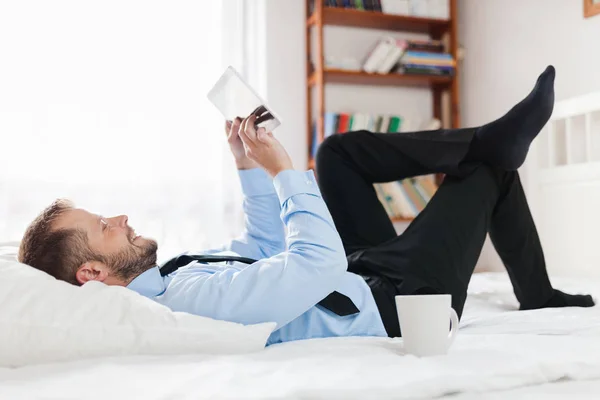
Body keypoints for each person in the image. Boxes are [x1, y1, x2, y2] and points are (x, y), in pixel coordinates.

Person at [19, 65, 594, 344]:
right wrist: (285, 172)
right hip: (401, 299)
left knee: (337, 151)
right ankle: (492, 157)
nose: (118, 218)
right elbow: (315, 267)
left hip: (364, 270)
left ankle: (489, 146)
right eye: (102, 227)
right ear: (92, 273)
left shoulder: (173, 277)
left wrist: (248, 166)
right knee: (488, 171)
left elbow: (262, 250)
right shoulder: (185, 306)